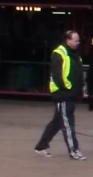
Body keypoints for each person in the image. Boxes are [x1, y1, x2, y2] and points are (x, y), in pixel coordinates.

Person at [34, 28, 84, 158]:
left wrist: (79, 90)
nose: (78, 42)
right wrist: (68, 88)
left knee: (57, 122)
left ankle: (41, 146)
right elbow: (57, 75)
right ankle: (74, 151)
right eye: (75, 40)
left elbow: (78, 74)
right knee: (67, 124)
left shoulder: (75, 55)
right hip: (63, 95)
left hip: (71, 94)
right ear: (68, 40)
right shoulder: (59, 53)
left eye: (78, 40)